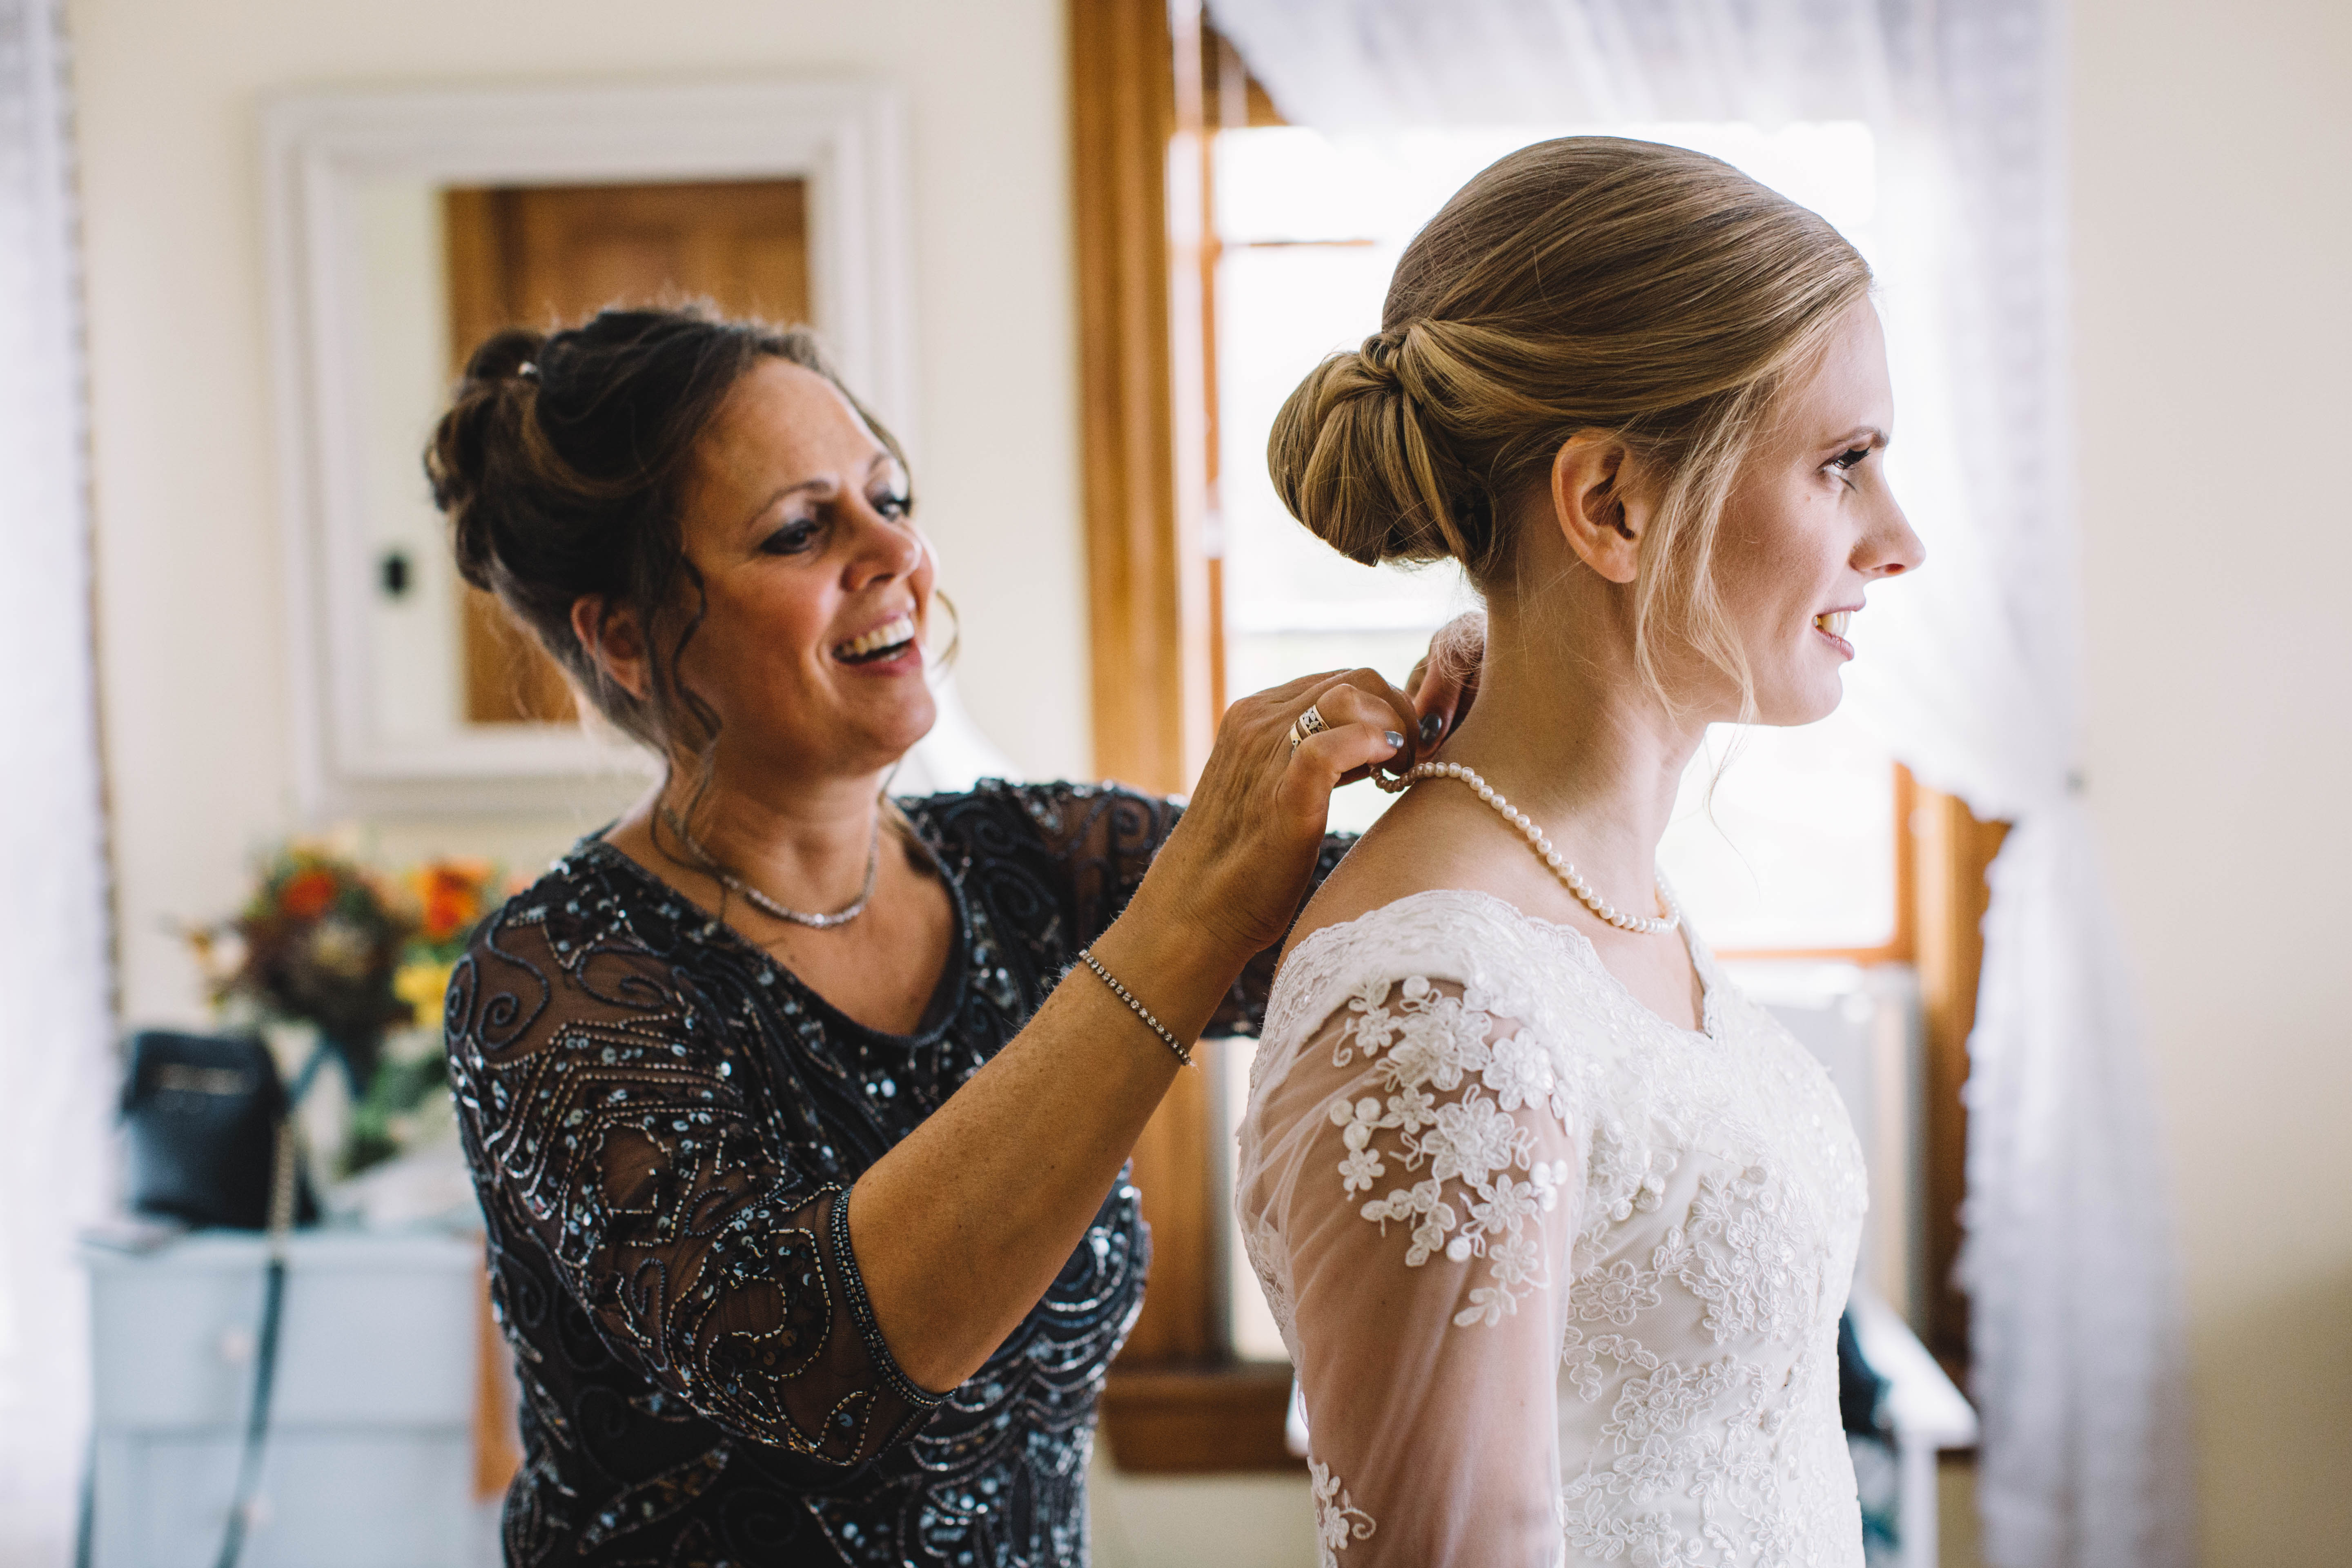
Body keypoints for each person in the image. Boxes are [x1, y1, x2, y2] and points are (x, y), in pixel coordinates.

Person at [426, 305, 1470, 1566]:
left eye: (890, 495)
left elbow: (1442, 928)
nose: (898, 552)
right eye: (802, 530)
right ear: (626, 637)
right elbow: (816, 1368)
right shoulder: (552, 980)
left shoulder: (1036, 866)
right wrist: (1181, 925)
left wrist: (1503, 672)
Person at [1233, 137, 1927, 1567]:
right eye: (1842, 465)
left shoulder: (1607, 889)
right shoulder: (1442, 1006)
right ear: (1611, 505)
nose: (1898, 538)